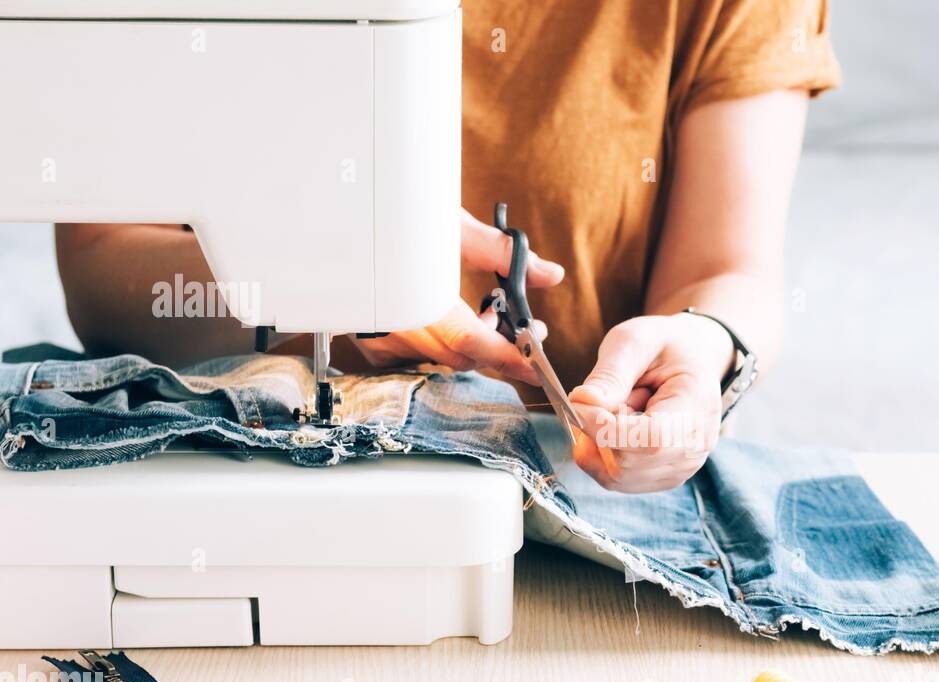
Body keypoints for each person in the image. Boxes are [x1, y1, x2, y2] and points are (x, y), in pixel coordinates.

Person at [55, 0, 839, 493]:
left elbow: (726, 270)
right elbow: (102, 266)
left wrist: (703, 349)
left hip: (573, 485)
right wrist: (323, 271)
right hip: (228, 464)